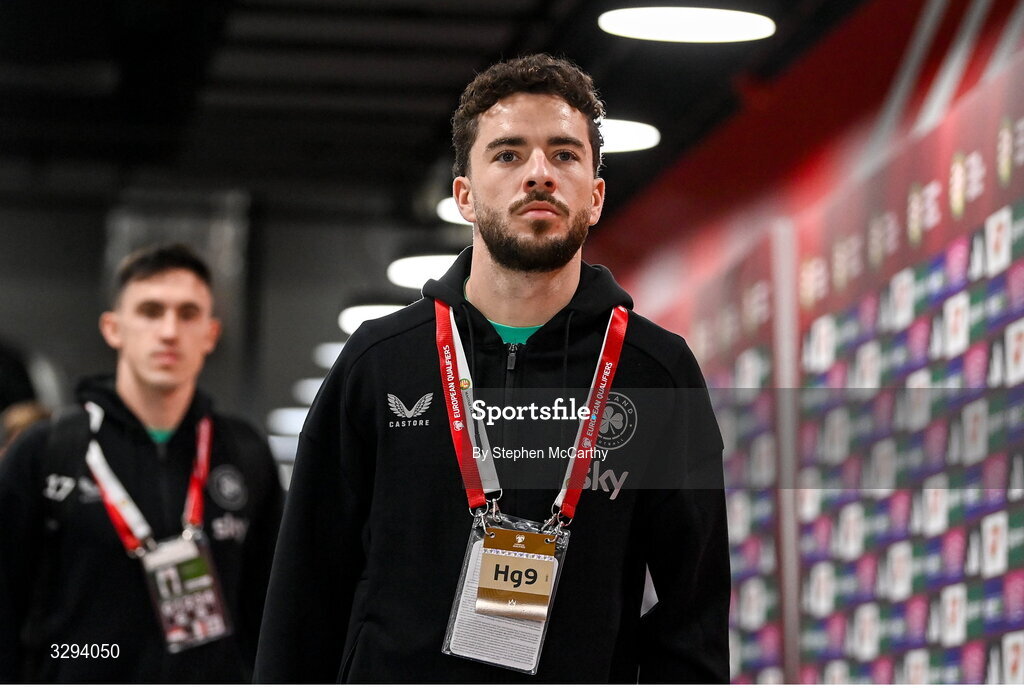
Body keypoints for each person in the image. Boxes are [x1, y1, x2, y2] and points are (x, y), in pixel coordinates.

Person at [255, 54, 729, 683]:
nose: (539, 173)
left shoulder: (655, 371)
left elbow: (692, 611)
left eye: (564, 154)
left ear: (595, 197)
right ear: (465, 196)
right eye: (508, 154)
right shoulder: (380, 362)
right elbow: (305, 591)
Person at [0, 243, 284, 682]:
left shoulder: (244, 452)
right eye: (150, 311)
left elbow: (270, 608)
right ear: (113, 328)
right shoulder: (47, 450)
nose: (169, 331)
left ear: (210, 334)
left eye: (188, 314)